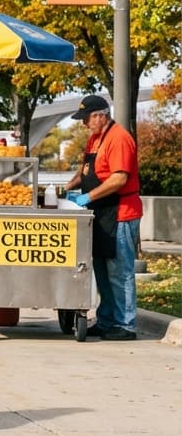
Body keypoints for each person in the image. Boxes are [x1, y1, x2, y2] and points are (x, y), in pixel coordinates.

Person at [64, 95, 141, 341]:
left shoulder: (119, 139)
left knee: (119, 271)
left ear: (100, 115)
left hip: (120, 212)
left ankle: (126, 324)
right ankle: (107, 319)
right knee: (101, 270)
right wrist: (67, 187)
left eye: (86, 119)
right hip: (100, 214)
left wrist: (88, 197)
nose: (84, 124)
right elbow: (85, 170)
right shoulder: (94, 139)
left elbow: (119, 178)